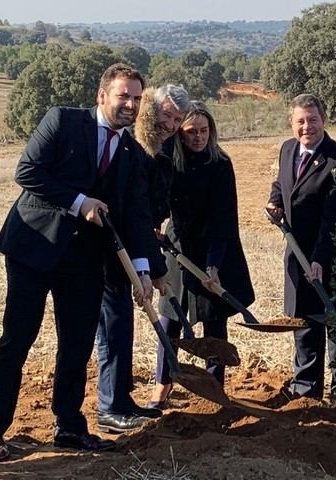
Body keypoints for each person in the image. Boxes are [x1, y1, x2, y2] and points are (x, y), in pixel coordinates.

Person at [0, 63, 156, 461]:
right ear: (102, 96)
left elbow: (135, 214)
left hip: (85, 261)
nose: (130, 104)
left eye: (136, 98)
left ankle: (69, 426)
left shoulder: (132, 153)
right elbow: (27, 171)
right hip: (35, 247)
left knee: (77, 344)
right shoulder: (62, 121)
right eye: (123, 96)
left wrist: (144, 270)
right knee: (19, 337)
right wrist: (80, 203)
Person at [96, 84, 190, 433]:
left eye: (177, 119)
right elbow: (133, 211)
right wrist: (150, 265)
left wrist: (152, 262)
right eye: (167, 115)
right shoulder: (134, 145)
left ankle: (121, 400)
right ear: (151, 109)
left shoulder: (162, 148)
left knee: (122, 327)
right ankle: (110, 406)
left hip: (136, 241)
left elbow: (149, 214)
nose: (171, 123)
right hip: (114, 246)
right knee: (112, 326)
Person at [147, 102, 255, 407]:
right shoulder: (170, 161)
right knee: (170, 317)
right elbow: (158, 199)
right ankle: (163, 384)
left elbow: (224, 219)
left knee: (213, 320)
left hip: (215, 247)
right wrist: (154, 228)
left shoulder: (220, 164)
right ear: (180, 135)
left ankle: (214, 389)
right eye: (191, 132)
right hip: (177, 246)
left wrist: (213, 264)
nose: (198, 137)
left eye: (204, 131)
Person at [265, 93, 336, 400]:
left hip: (329, 258)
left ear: (324, 120)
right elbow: (282, 183)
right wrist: (274, 202)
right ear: (291, 123)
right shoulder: (288, 149)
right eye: (300, 121)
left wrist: (319, 259)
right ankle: (306, 391)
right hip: (296, 255)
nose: (307, 127)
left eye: (313, 120)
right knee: (304, 323)